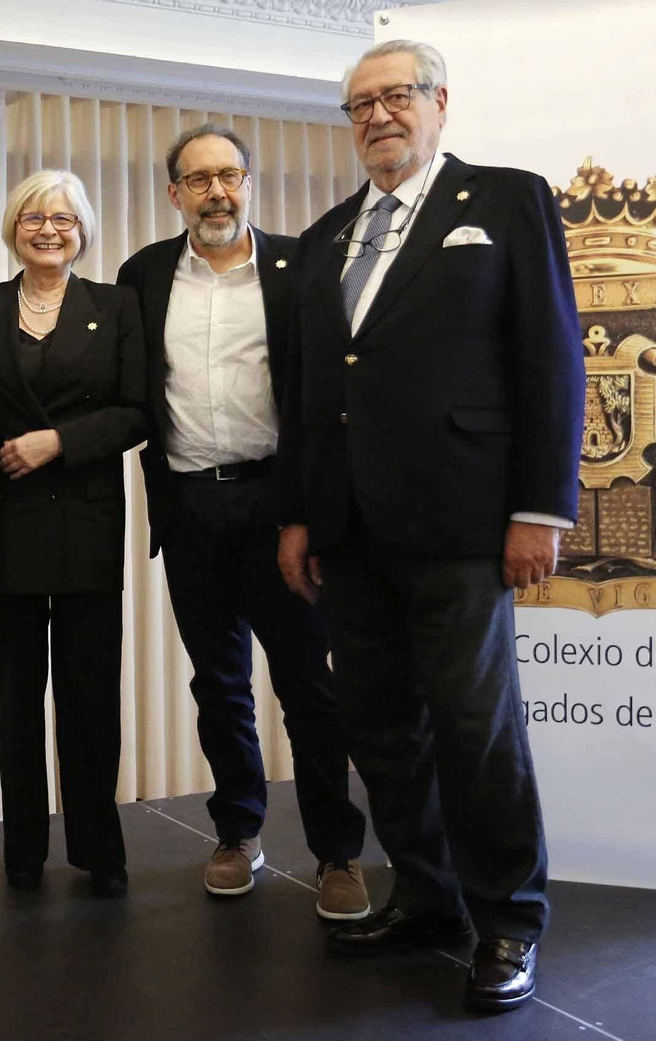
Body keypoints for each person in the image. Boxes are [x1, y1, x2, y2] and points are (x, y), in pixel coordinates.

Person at [275, 40, 584, 1012]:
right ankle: (426, 895)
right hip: (350, 531)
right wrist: (299, 514)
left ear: (439, 102)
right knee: (380, 725)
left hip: (465, 522)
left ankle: (509, 920)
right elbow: (309, 389)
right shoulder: (325, 237)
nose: (378, 115)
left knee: (474, 728)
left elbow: (550, 356)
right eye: (359, 104)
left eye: (396, 96)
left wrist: (539, 507)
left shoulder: (505, 201)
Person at [116, 124, 369, 918]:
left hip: (279, 507)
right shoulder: (144, 273)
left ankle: (337, 851)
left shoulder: (301, 267)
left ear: (249, 184)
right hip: (190, 505)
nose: (217, 192)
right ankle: (237, 830)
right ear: (174, 193)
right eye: (199, 179)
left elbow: (324, 397)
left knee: (307, 684)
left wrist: (308, 514)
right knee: (218, 683)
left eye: (229, 175)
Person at [0, 170, 147, 898]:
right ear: (14, 228)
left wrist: (59, 441)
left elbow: (138, 410)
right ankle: (22, 850)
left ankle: (100, 850)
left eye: (63, 218)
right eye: (34, 217)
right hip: (5, 524)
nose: (48, 229)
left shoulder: (117, 305)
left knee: (89, 694)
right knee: (16, 696)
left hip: (87, 522)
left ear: (83, 230)